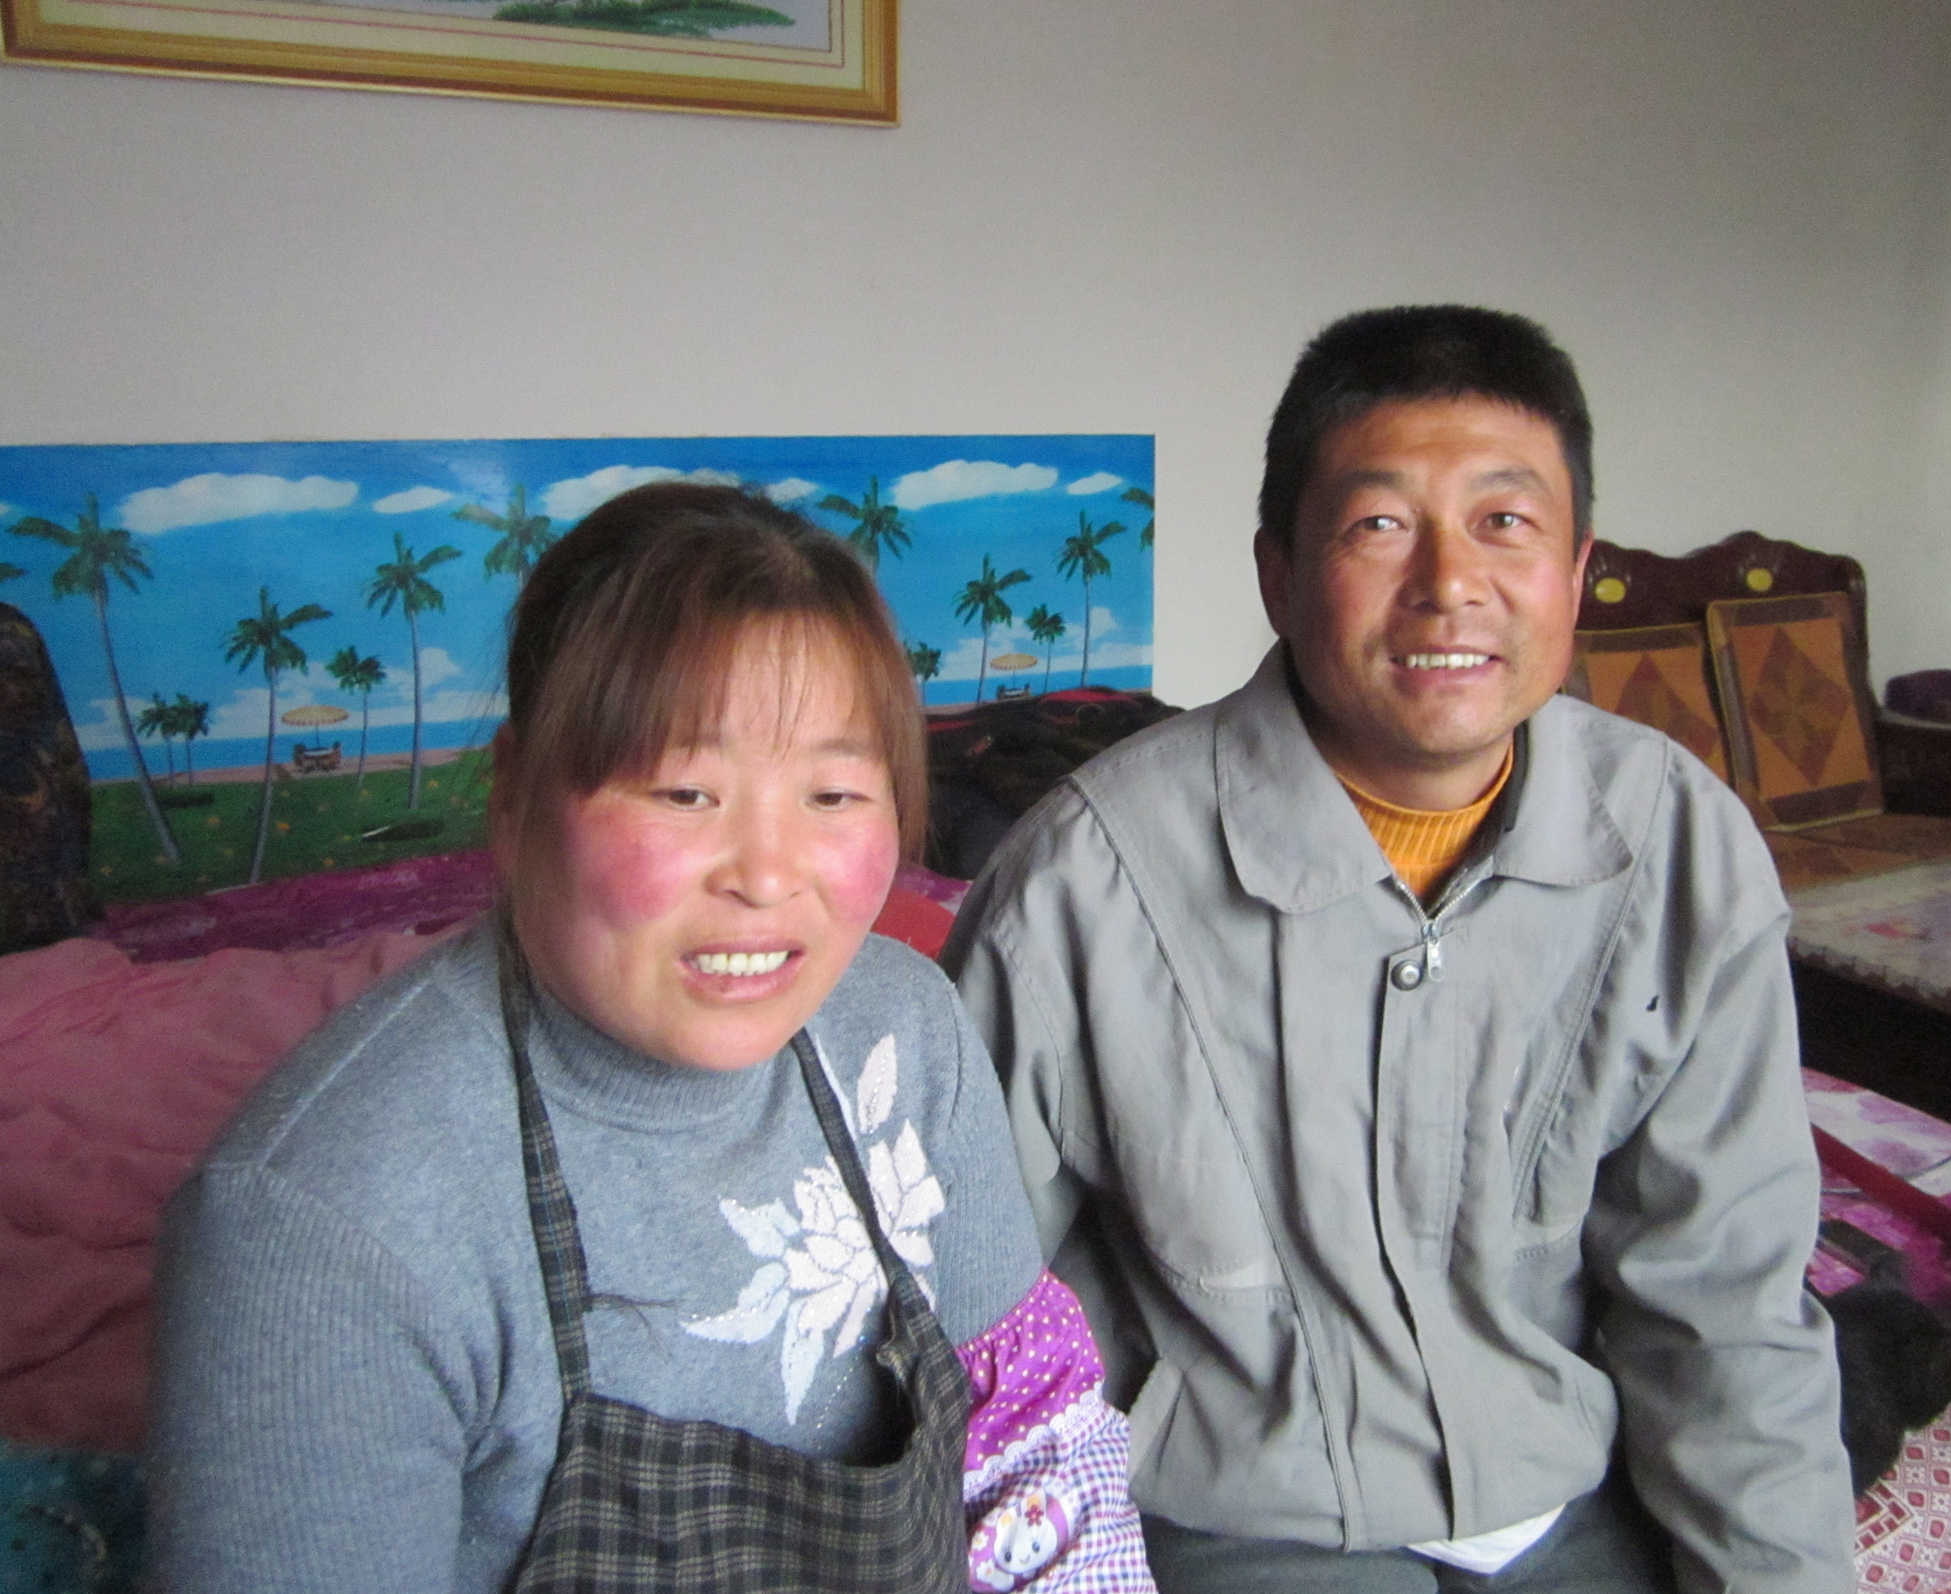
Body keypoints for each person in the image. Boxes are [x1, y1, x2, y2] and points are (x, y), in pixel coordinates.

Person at [942, 307, 1853, 1593]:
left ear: (1575, 568)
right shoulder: (1079, 881)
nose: (1448, 583)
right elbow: (964, 1314)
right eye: (1377, 524)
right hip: (1245, 1517)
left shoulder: (1675, 845)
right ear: (1277, 573)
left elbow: (1726, 1301)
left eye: (1504, 521)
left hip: (1561, 1490)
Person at [150, 482, 1152, 1593]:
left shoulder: (906, 1032)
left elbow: (1035, 1455)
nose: (767, 876)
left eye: (831, 794)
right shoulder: (320, 1228)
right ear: (515, 796)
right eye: (684, 792)